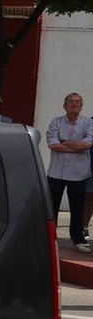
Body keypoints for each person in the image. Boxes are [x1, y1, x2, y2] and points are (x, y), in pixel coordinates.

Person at [47, 92, 93, 253]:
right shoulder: (56, 122)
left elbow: (87, 145)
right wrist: (76, 146)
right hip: (56, 173)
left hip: (78, 173)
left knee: (77, 207)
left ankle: (78, 239)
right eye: (72, 102)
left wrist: (64, 142)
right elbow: (52, 144)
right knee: (51, 207)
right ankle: (49, 238)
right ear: (65, 105)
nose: (75, 104)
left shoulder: (88, 123)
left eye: (78, 102)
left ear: (82, 106)